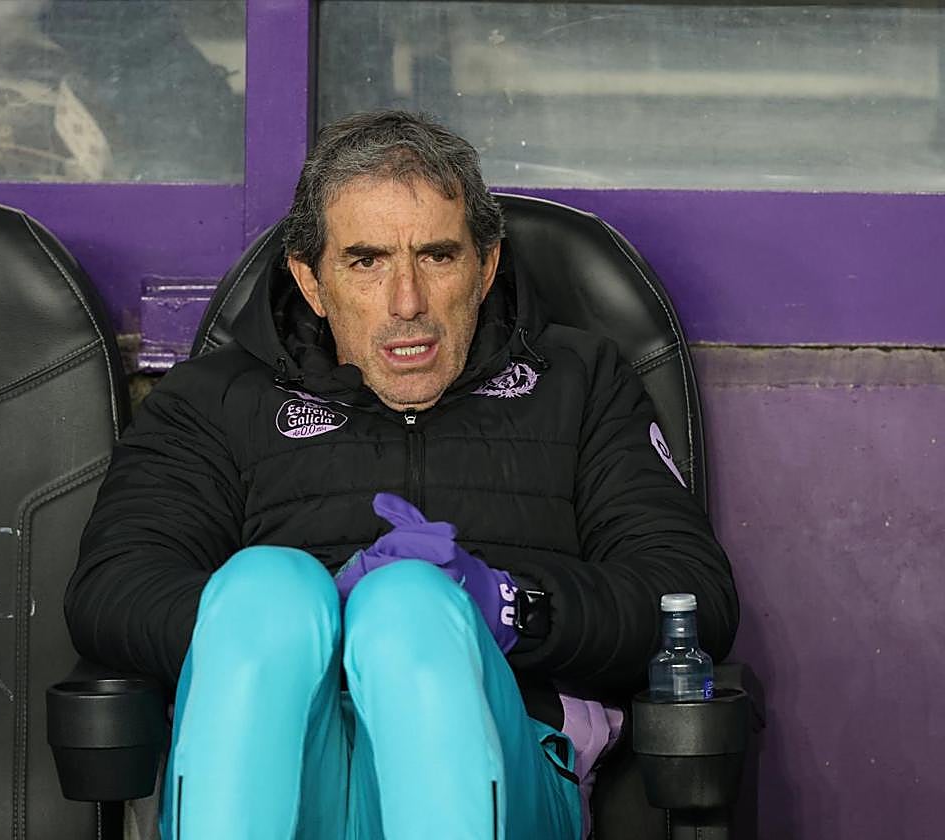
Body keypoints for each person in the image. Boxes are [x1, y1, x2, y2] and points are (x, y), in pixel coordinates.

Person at [66, 110, 738, 839]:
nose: (407, 302)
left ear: (485, 267)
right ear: (311, 281)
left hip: (503, 760)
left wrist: (510, 607)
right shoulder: (213, 399)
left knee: (410, 607)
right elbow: (111, 591)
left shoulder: (579, 382)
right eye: (367, 261)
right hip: (279, 766)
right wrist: (312, 620)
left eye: (438, 257)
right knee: (268, 589)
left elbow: (691, 596)